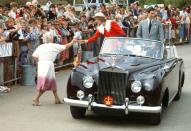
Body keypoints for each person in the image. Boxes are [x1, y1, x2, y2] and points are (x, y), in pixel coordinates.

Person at [32, 39, 76, 106]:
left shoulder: (40, 46)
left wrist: (39, 61)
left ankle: (56, 98)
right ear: (51, 39)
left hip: (41, 64)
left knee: (52, 82)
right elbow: (66, 46)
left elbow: (34, 56)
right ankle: (36, 98)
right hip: (48, 65)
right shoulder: (53, 46)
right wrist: (72, 42)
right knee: (46, 83)